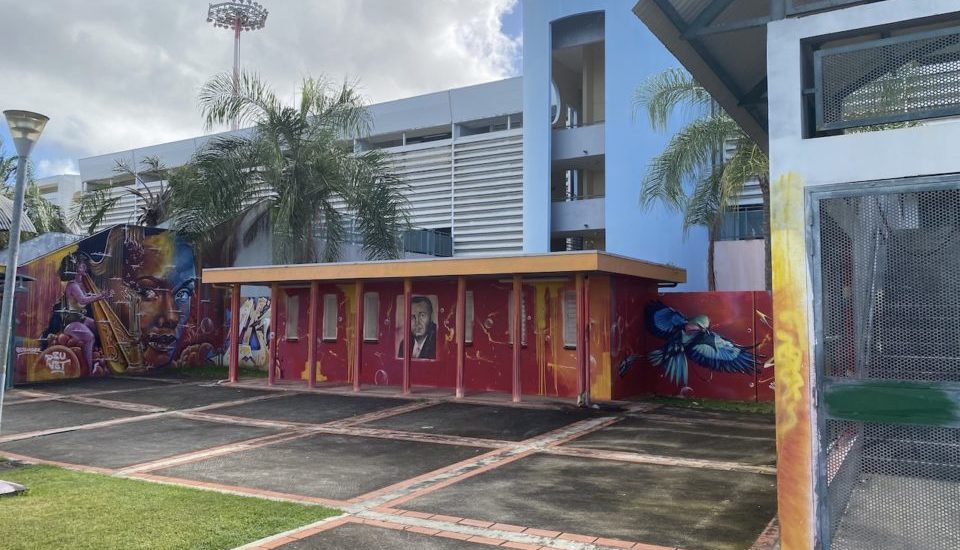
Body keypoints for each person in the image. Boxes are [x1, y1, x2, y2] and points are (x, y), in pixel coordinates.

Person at [43, 252, 112, 374]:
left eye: (84, 264)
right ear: (75, 268)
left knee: (101, 327)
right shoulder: (73, 285)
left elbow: (86, 297)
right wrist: (99, 296)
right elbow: (82, 300)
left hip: (81, 319)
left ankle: (101, 358)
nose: (84, 266)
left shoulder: (82, 283)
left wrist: (100, 294)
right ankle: (89, 370)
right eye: (81, 265)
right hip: (71, 323)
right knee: (90, 337)